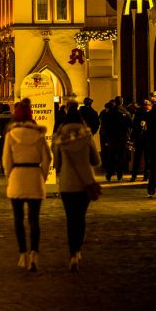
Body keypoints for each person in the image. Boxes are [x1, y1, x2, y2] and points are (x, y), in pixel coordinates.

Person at [2, 101, 52, 273]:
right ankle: (35, 254)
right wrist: (42, 175)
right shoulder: (38, 135)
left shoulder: (11, 134)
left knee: (18, 218)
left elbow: (6, 160)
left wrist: (10, 176)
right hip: (34, 176)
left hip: (17, 175)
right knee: (34, 220)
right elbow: (47, 158)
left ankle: (23, 253)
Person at [53, 102, 101, 271]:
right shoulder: (86, 136)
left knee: (70, 218)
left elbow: (57, 164)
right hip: (84, 183)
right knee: (80, 218)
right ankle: (78, 249)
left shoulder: (59, 137)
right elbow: (96, 160)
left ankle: (72, 253)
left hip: (67, 184)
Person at [100, 96, 132, 182]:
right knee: (121, 156)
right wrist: (128, 136)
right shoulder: (125, 112)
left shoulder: (110, 113)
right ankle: (119, 175)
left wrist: (106, 138)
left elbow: (104, 125)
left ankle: (109, 174)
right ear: (122, 102)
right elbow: (130, 125)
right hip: (122, 137)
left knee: (111, 156)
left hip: (112, 137)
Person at [129, 98, 152, 181]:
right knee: (147, 158)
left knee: (137, 158)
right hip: (148, 138)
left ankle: (134, 176)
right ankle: (146, 176)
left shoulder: (137, 113)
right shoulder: (150, 114)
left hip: (139, 138)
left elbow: (134, 127)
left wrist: (132, 138)